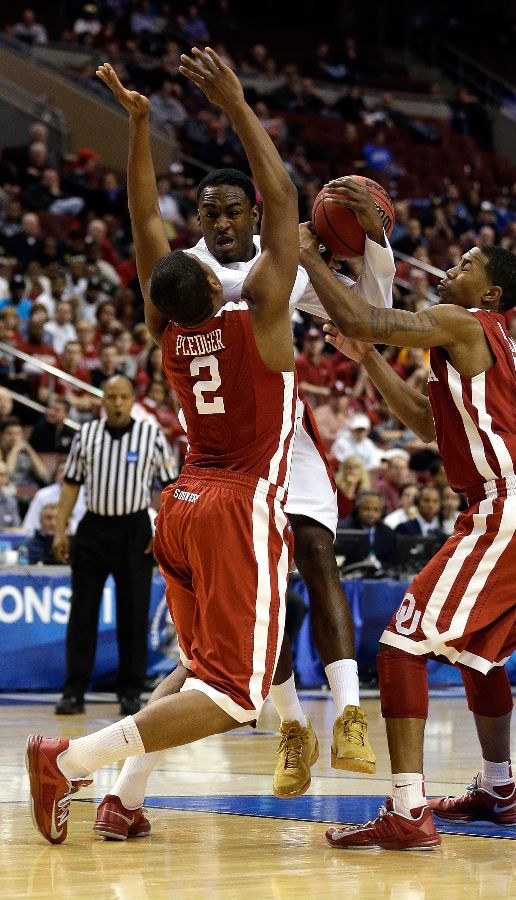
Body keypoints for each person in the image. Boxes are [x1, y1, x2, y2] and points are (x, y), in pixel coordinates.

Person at [26, 48, 299, 847]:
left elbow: (146, 222)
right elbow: (280, 198)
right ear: (213, 283)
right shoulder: (263, 318)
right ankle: (70, 760)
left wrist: (139, 127)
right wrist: (239, 104)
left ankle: (124, 799)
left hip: (178, 502)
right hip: (236, 502)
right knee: (239, 695)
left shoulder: (165, 327)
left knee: (197, 665)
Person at [99, 97, 394, 803]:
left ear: (253, 215)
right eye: (211, 214)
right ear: (198, 224)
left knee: (319, 555)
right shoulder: (204, 274)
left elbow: (366, 317)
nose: (224, 224)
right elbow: (150, 220)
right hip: (227, 461)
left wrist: (373, 245)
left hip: (276, 447)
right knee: (270, 610)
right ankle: (292, 725)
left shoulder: (266, 269)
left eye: (235, 211)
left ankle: (350, 714)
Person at [297, 233, 516, 850]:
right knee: (483, 656)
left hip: (507, 505)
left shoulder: (464, 321)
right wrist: (368, 360)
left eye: (466, 265)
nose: (450, 269)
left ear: (492, 293)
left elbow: (362, 314)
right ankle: (500, 790)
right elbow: (425, 424)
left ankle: (407, 809)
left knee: (399, 647)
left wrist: (310, 254)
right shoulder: (475, 345)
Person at [52, 375, 176, 717]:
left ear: (132, 400)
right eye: (111, 397)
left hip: (134, 528)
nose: (117, 403)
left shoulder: (151, 435)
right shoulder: (85, 434)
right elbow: (71, 485)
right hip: (93, 527)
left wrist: (161, 527)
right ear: (102, 401)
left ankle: (130, 692)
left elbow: (169, 485)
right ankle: (74, 691)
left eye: (123, 397)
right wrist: (61, 530)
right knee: (82, 613)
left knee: (133, 614)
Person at [22, 460, 86, 536]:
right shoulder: (42, 494)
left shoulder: (87, 495)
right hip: (45, 539)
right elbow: (30, 525)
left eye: (69, 471)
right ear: (56, 475)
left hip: (78, 538)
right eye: (61, 471)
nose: (65, 474)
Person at [339, 489, 396, 567]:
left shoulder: (388, 532)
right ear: (357, 509)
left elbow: (392, 562)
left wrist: (376, 564)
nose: (371, 514)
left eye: (376, 510)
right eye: (366, 509)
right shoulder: (345, 531)